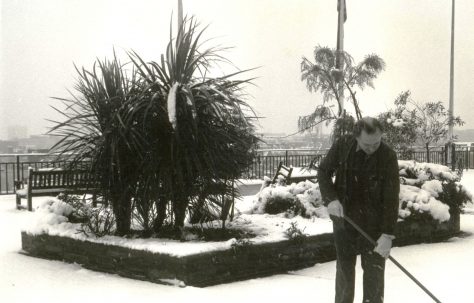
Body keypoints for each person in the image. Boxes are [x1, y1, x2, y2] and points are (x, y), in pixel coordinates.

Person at [318, 117, 400, 303]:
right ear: (356, 137)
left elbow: (391, 197)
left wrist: (387, 235)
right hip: (345, 221)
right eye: (367, 144)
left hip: (374, 227)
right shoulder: (343, 146)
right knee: (345, 275)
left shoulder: (387, 156)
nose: (372, 148)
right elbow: (323, 171)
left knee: (374, 279)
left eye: (376, 143)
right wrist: (331, 200)